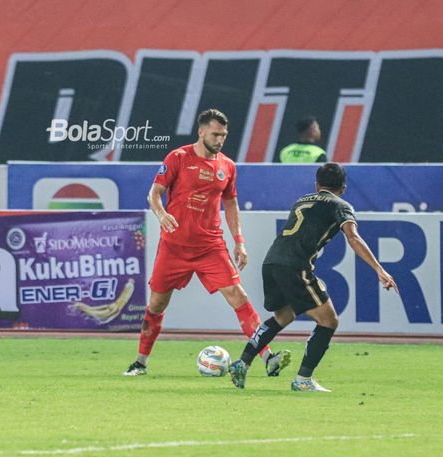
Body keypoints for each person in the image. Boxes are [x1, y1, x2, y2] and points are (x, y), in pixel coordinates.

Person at [124, 109, 291, 377]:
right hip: (174, 247)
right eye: (215, 134)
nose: (220, 139)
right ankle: (140, 362)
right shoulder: (178, 158)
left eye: (224, 135)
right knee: (156, 304)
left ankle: (268, 357)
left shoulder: (227, 166)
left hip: (210, 247)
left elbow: (231, 203)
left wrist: (239, 241)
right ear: (201, 132)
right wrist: (162, 213)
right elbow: (154, 194)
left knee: (239, 296)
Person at [229, 162, 398, 392]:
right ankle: (303, 380)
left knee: (283, 315)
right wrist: (380, 269)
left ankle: (243, 362)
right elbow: (353, 237)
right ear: (343, 188)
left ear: (317, 185)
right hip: (295, 266)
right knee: (329, 321)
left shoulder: (303, 200)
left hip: (271, 262)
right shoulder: (341, 205)